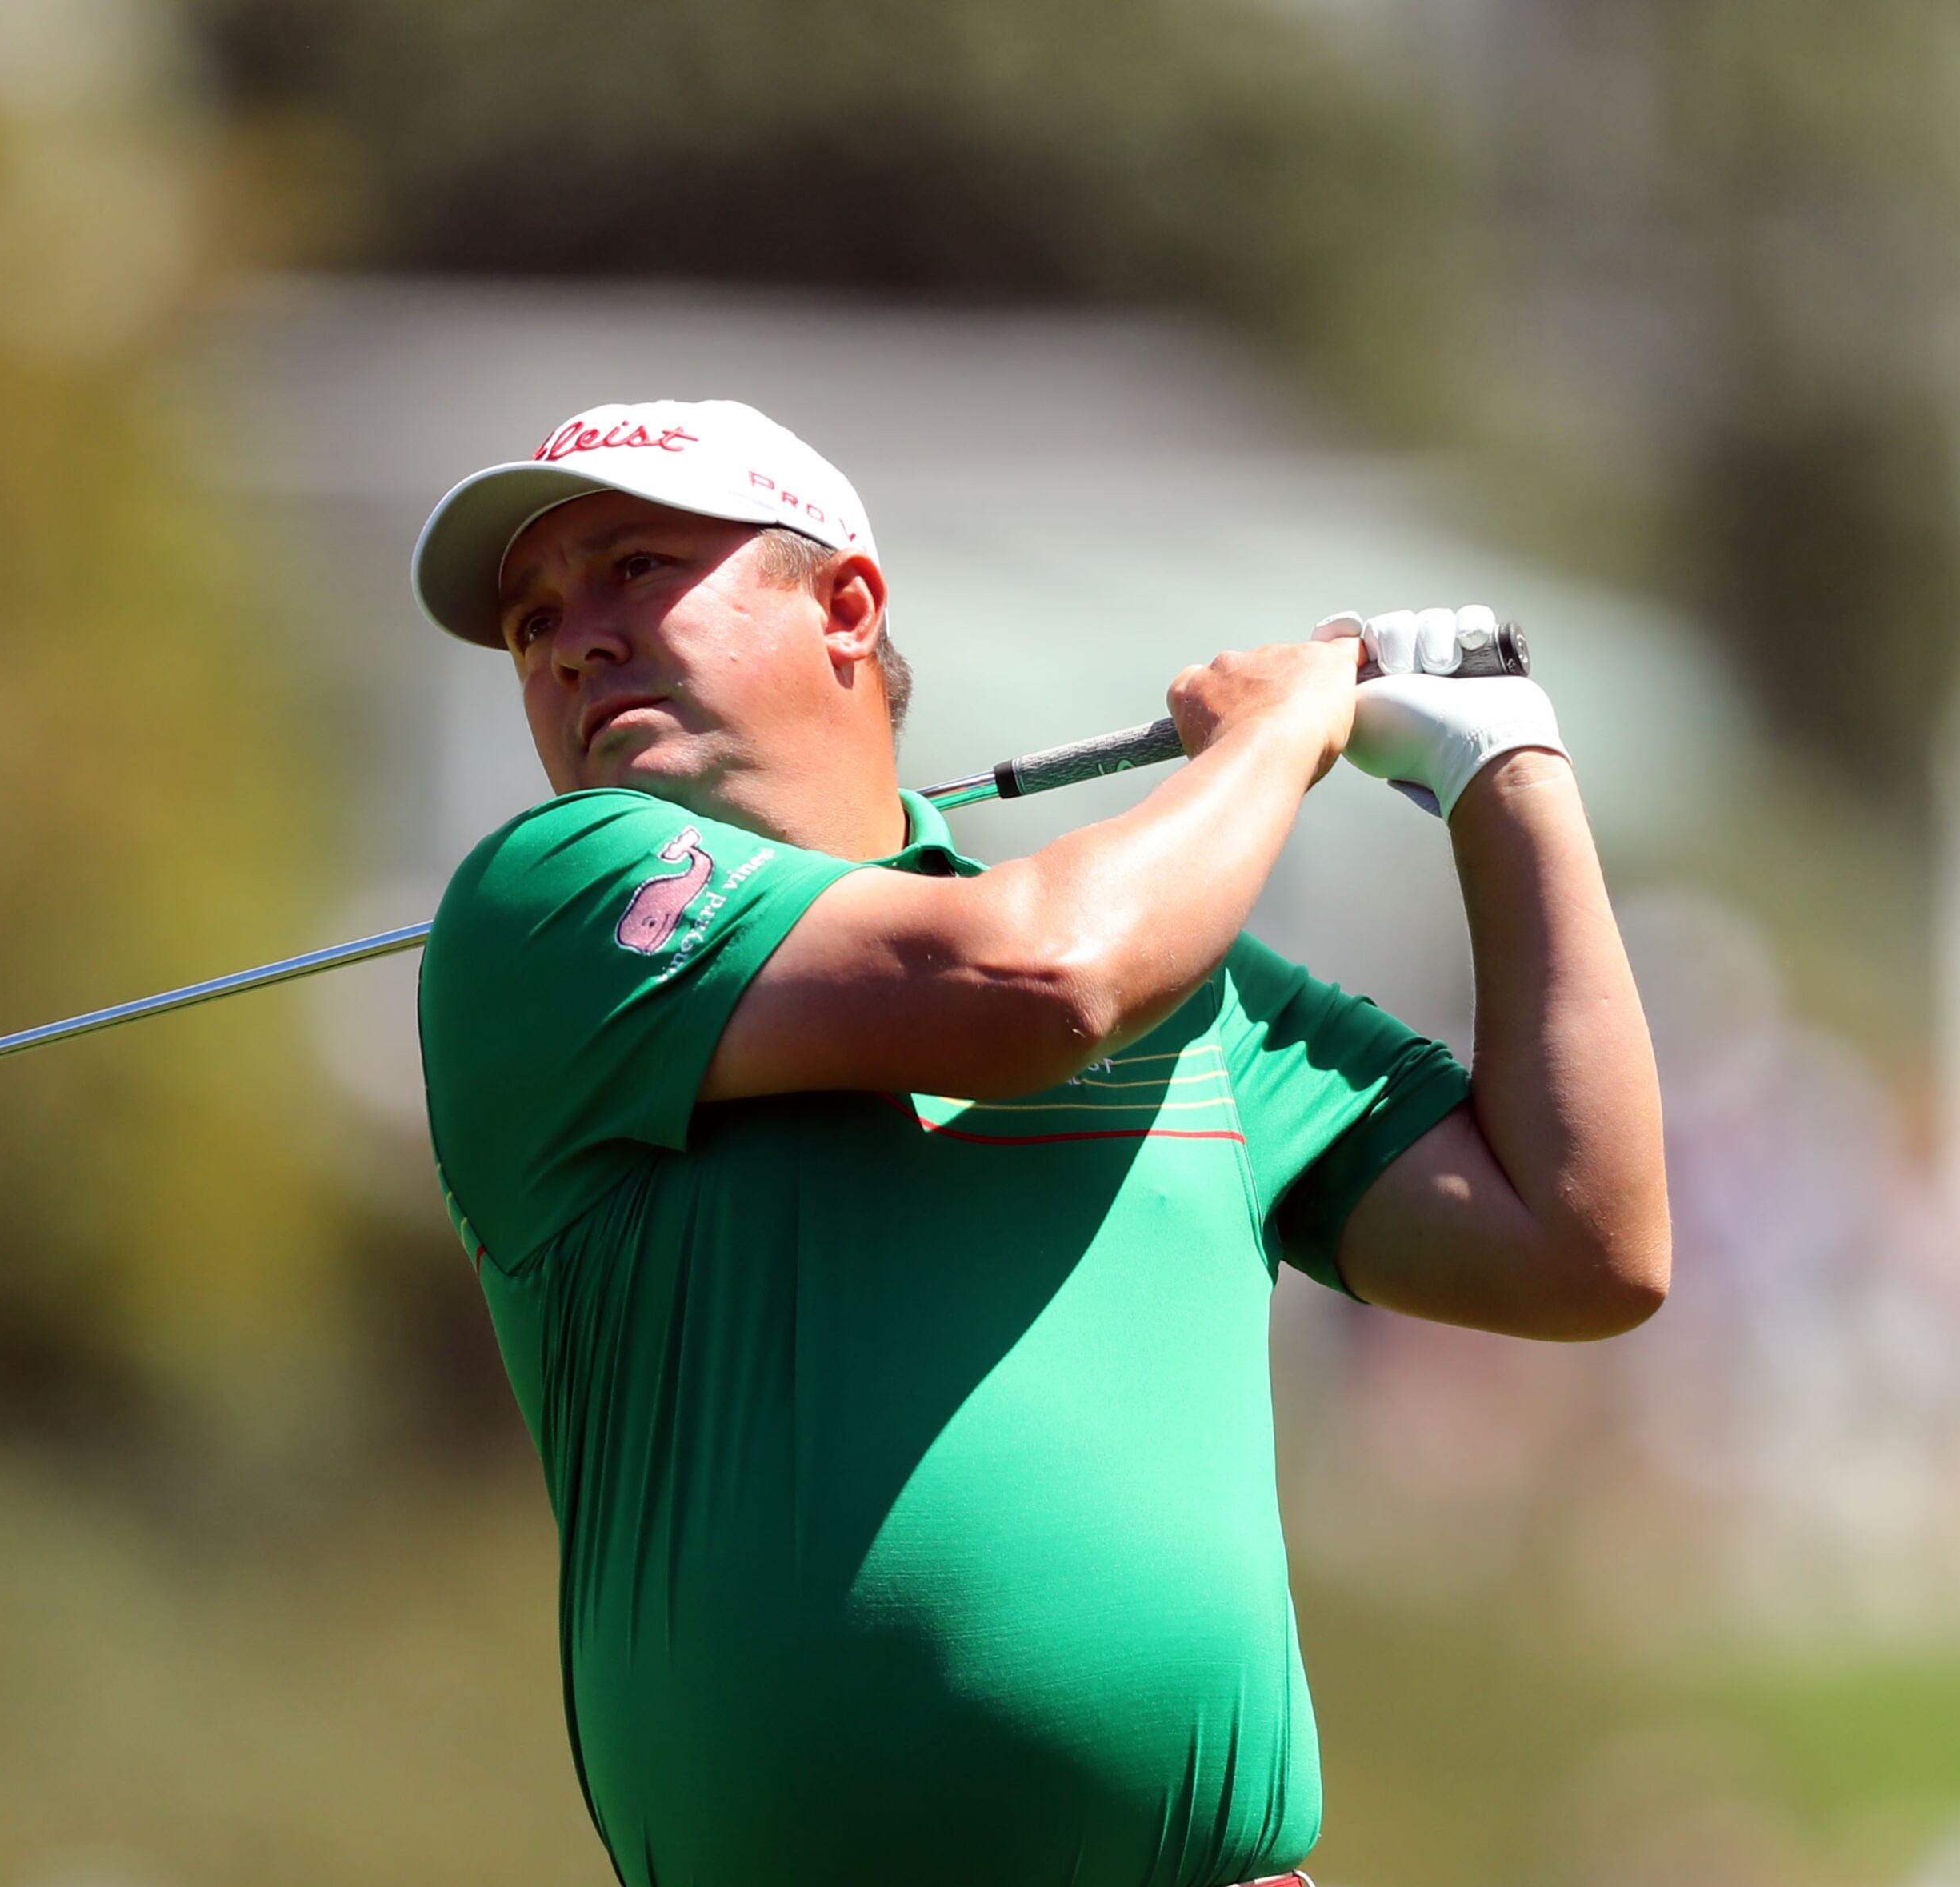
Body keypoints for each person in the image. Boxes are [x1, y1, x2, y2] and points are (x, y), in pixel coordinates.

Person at [408, 399, 1670, 1887]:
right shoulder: (551, 908)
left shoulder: (1188, 985)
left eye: (633, 568)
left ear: (845, 606)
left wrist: (1508, 771)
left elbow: (1586, 1245)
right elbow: (1041, 981)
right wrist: (1273, 740)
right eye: (534, 618)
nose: (572, 639)